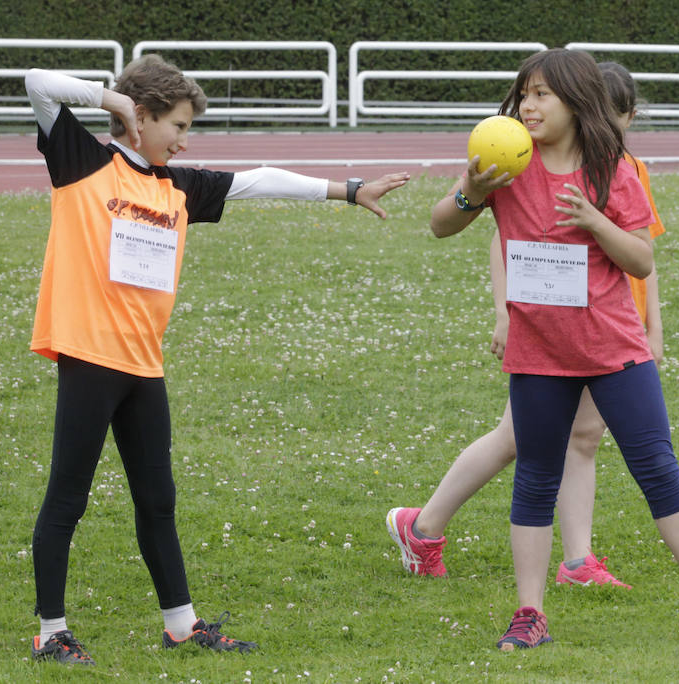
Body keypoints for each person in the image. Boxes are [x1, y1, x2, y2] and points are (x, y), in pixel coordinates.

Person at [24, 54, 409, 666]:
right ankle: (51, 633)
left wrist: (351, 191)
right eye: (176, 125)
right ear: (141, 117)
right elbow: (38, 84)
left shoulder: (178, 187)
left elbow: (259, 179)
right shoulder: (83, 162)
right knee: (68, 497)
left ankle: (181, 625)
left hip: (143, 367)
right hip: (90, 359)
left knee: (157, 499)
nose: (184, 139)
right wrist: (111, 100)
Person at [422, 48, 679, 651]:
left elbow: (642, 258)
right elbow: (440, 224)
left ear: (576, 103)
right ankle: (529, 614)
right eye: (524, 93)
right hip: (539, 352)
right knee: (536, 479)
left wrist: (596, 220)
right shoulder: (505, 161)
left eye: (543, 94)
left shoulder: (610, 168)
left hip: (615, 349)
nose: (528, 104)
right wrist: (469, 188)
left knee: (657, 468)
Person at [386, 60, 667, 589]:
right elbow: (505, 236)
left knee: (575, 437)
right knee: (521, 439)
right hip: (553, 328)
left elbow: (643, 256)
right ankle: (423, 525)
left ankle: (574, 560)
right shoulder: (528, 162)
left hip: (608, 330)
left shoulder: (621, 167)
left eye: (620, 114)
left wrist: (652, 328)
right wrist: (504, 312)